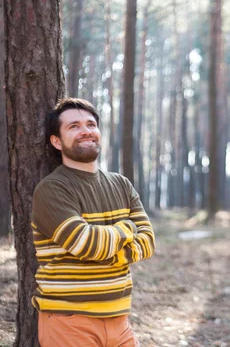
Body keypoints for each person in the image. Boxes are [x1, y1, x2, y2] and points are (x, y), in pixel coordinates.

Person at [31, 98, 155, 347]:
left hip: (120, 321)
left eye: (91, 124)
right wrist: (127, 227)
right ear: (56, 141)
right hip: (69, 321)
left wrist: (108, 250)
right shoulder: (52, 189)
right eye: (74, 126)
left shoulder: (121, 184)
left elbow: (148, 242)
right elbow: (86, 245)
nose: (86, 130)